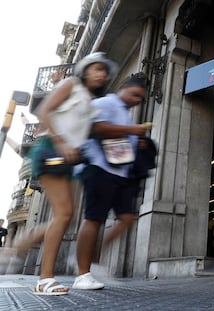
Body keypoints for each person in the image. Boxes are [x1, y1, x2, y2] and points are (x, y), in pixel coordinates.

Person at [21, 52, 117, 295]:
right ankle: (44, 279)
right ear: (85, 70)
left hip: (69, 159)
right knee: (64, 215)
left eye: (104, 72)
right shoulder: (71, 84)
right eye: (96, 69)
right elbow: (44, 111)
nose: (100, 74)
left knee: (67, 216)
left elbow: (88, 129)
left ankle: (21, 246)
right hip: (51, 150)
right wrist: (61, 141)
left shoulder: (88, 100)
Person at [72, 73, 150, 290]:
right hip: (99, 168)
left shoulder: (124, 114)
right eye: (135, 94)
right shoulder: (107, 102)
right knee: (94, 219)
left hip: (120, 175)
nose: (137, 100)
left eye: (140, 98)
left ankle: (94, 254)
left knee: (126, 218)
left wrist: (138, 142)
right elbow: (95, 128)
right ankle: (83, 274)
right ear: (123, 87)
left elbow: (121, 142)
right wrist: (132, 131)